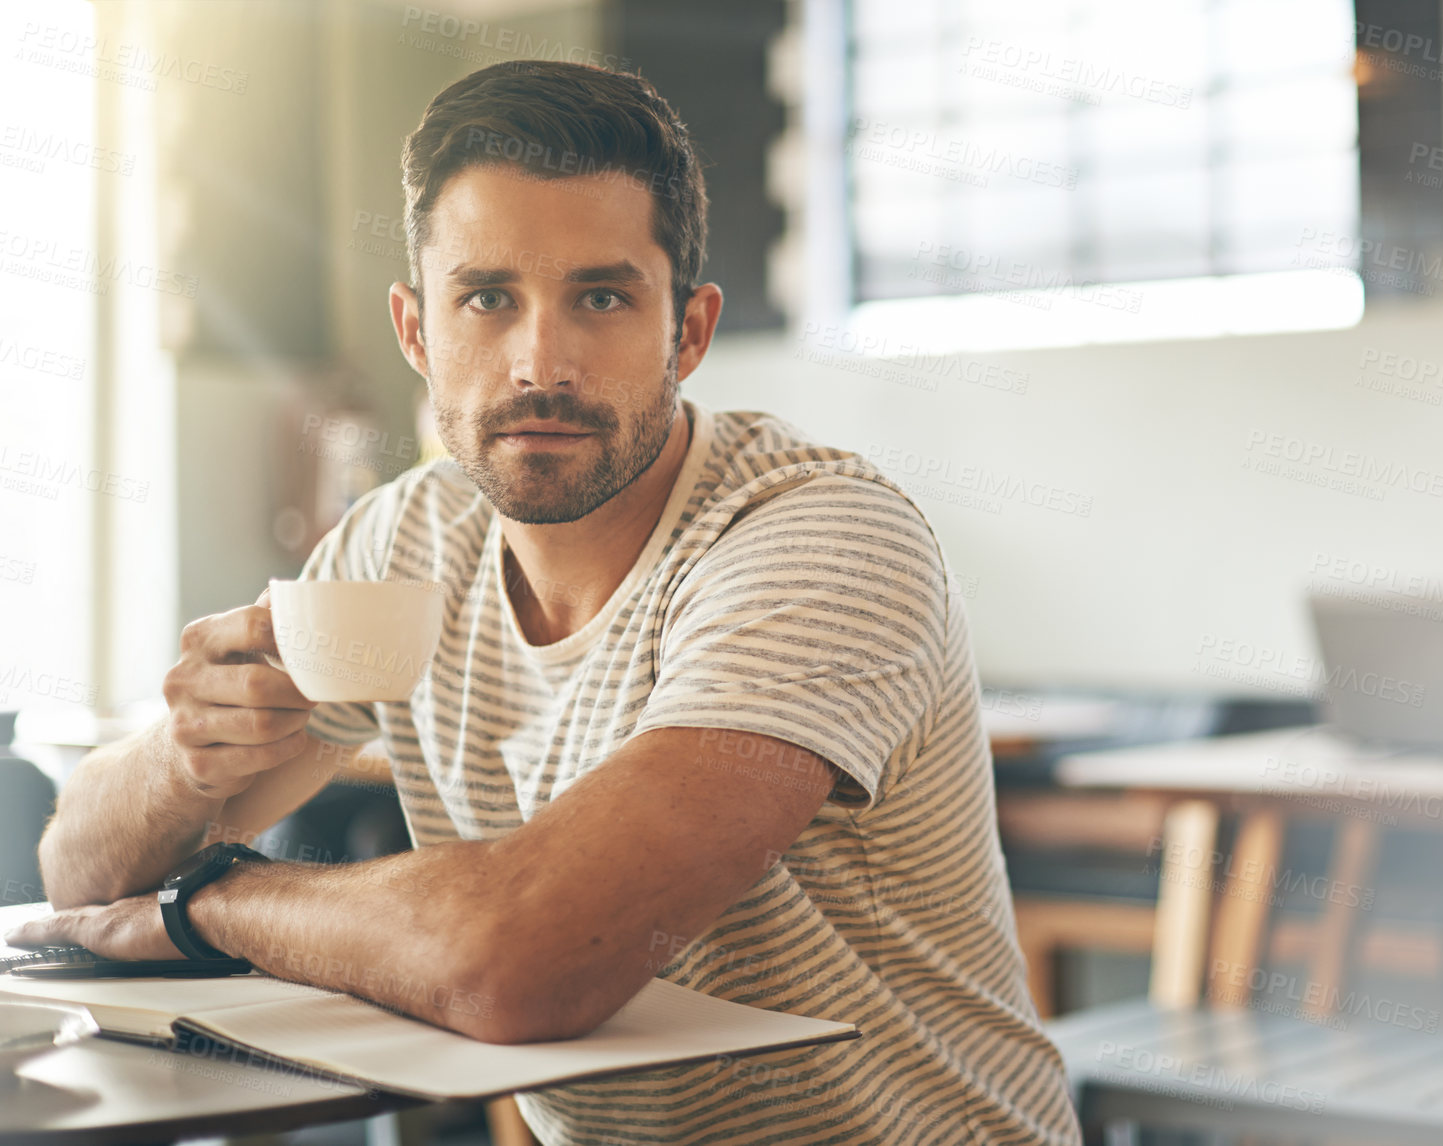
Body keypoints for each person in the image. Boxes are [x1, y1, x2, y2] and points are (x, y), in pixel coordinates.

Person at [13, 61, 1080, 1145]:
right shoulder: (403, 536)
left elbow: (517, 965)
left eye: (602, 297)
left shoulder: (820, 536)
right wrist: (183, 760)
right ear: (418, 333)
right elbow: (79, 873)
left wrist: (203, 911)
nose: (540, 362)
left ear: (691, 331)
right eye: (486, 298)